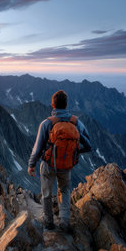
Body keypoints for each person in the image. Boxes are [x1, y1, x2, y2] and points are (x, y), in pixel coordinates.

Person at [28, 90, 91, 231]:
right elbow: (88, 145)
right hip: (66, 165)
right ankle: (64, 222)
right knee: (65, 191)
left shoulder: (46, 124)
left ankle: (49, 222)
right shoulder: (76, 123)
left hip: (48, 164)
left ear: (52, 105)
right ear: (67, 104)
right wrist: (76, 151)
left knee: (46, 193)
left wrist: (31, 165)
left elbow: (37, 149)